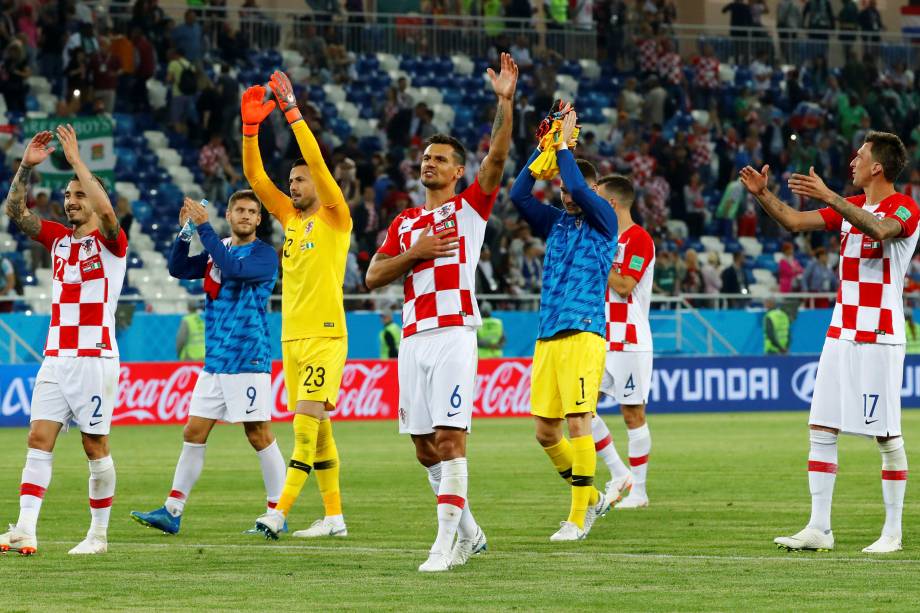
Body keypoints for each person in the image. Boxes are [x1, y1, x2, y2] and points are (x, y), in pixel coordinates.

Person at [364, 53, 518, 572]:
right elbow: (372, 277)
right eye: (425, 158)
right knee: (425, 448)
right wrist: (416, 253)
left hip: (454, 333)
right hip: (413, 338)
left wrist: (504, 102)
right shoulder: (405, 222)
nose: (429, 163)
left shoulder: (470, 209)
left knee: (452, 440)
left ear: (457, 171)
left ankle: (443, 546)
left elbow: (496, 159)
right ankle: (470, 533)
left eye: (440, 159)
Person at [740, 131, 916, 553]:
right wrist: (763, 195)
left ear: (878, 167)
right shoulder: (851, 206)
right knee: (821, 427)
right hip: (840, 333)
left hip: (879, 336)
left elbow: (878, 230)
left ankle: (892, 531)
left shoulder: (904, 207)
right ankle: (820, 527)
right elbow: (794, 220)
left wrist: (829, 195)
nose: (852, 160)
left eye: (860, 155)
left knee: (886, 435)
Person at [0, 126, 127, 555]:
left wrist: (76, 161)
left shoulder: (112, 243)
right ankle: (25, 530)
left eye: (79, 195)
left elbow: (110, 215)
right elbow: (15, 210)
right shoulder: (57, 240)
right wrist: (25, 166)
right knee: (38, 439)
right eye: (68, 196)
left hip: (94, 356)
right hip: (56, 356)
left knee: (94, 445)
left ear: (94, 198)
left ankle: (98, 535)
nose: (71, 201)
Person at [130, 191, 285, 535]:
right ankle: (172, 510)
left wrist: (205, 229)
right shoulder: (220, 248)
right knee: (193, 432)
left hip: (248, 357)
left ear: (259, 220)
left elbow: (234, 270)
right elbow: (178, 267)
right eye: (239, 210)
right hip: (216, 360)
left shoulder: (264, 255)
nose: (245, 216)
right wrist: (187, 231)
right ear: (229, 215)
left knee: (258, 434)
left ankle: (278, 511)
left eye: (251, 211)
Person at [241, 71, 351, 541]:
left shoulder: (334, 215)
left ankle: (280, 511)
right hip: (292, 335)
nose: (294, 185)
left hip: (326, 334)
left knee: (304, 426)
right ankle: (334, 517)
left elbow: (318, 165)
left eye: (301, 180)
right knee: (319, 429)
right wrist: (250, 132)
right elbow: (254, 177)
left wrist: (292, 112)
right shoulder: (289, 218)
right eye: (292, 181)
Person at [510, 106, 617, 542]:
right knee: (544, 432)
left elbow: (573, 180)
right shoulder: (555, 222)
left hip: (584, 330)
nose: (568, 195)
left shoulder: (604, 219)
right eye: (562, 190)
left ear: (594, 192)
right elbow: (518, 197)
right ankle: (591, 497)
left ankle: (576, 519)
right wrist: (542, 152)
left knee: (579, 424)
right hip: (548, 334)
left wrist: (565, 146)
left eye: (576, 191)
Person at [588, 175, 656, 510]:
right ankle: (619, 472)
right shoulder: (601, 236)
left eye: (597, 197)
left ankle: (639, 492)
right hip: (598, 337)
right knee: (580, 408)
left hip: (630, 340)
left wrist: (600, 259)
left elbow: (626, 285)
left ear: (611, 203)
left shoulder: (639, 239)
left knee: (632, 414)